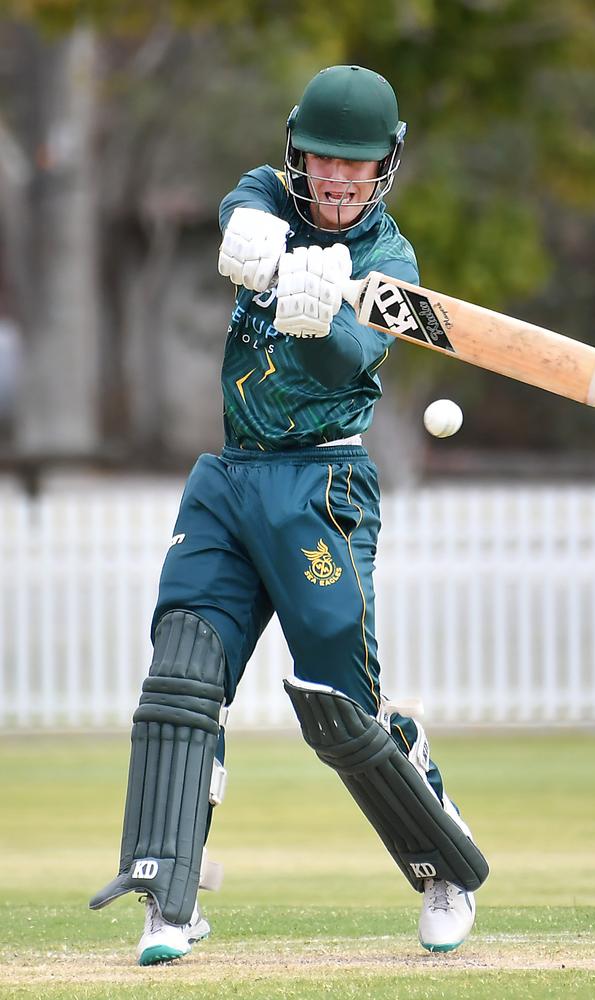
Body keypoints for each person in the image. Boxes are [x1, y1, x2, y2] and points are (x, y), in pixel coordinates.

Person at [89, 64, 488, 966]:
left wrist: (322, 321)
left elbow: (351, 361)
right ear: (296, 150)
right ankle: (170, 902)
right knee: (182, 672)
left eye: (355, 165)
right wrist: (256, 243)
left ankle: (443, 865)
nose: (336, 179)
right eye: (321, 159)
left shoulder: (391, 262)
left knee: (340, 712)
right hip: (231, 479)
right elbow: (243, 207)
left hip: (324, 490)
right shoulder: (269, 191)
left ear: (385, 165)